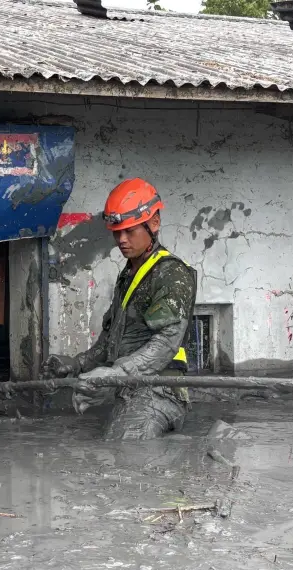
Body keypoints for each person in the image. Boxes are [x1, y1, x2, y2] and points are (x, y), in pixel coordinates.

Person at [42, 178, 198, 440]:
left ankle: (186, 443)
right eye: (117, 232)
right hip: (129, 388)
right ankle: (173, 441)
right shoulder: (128, 276)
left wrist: (117, 374)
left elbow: (165, 345)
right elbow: (110, 344)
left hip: (161, 390)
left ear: (154, 224)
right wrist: (77, 364)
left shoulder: (172, 274)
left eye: (130, 231)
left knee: (124, 448)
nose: (121, 240)